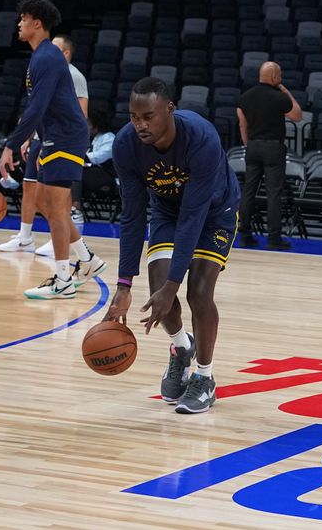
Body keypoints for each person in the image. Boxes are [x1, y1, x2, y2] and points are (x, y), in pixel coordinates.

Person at [103, 77, 241, 414]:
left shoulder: (201, 138)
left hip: (214, 214)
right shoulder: (125, 146)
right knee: (156, 292)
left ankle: (205, 378)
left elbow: (194, 217)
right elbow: (133, 216)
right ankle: (181, 348)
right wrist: (122, 285)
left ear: (170, 110)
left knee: (197, 292)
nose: (140, 125)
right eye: (134, 117)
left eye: (148, 116)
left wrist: (173, 284)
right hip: (166, 211)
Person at [0, 0, 105, 299]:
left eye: (23, 18)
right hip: (55, 137)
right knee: (46, 203)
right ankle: (87, 259)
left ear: (37, 23)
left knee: (56, 209)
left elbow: (37, 106)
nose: (18, 22)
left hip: (66, 137)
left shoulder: (46, 57)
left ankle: (62, 279)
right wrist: (35, 141)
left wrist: (12, 144)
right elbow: (42, 108)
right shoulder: (40, 57)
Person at [0, 31, 89, 255]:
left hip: (63, 138)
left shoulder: (74, 76)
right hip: (43, 136)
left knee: (56, 197)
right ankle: (25, 236)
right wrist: (28, 138)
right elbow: (37, 109)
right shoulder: (44, 68)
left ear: (65, 53)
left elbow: (81, 113)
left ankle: (66, 252)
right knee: (32, 190)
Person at [236, 61, 302, 250]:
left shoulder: (245, 97)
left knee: (248, 192)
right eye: (279, 75)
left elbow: (242, 124)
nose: (280, 78)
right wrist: (285, 90)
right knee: (273, 193)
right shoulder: (278, 96)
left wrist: (249, 144)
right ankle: (274, 238)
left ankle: (245, 235)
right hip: (273, 147)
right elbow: (297, 115)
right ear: (274, 77)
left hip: (253, 147)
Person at [71, 105, 116, 215]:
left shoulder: (109, 138)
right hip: (89, 172)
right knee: (68, 170)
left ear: (96, 125)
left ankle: (76, 208)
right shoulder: (88, 138)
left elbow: (97, 158)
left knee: (76, 171)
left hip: (107, 175)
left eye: (88, 123)